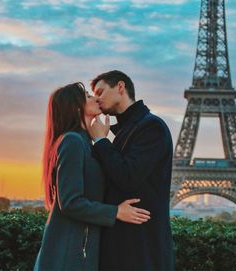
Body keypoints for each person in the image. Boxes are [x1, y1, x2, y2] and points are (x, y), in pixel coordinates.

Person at [34, 82, 151, 271]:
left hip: (76, 253)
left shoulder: (83, 142)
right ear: (76, 106)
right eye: (88, 96)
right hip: (68, 256)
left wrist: (100, 140)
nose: (95, 98)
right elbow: (70, 202)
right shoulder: (72, 141)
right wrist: (116, 212)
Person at [88, 70, 174, 271]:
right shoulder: (130, 130)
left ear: (120, 87)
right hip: (129, 244)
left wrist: (100, 140)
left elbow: (128, 176)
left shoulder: (152, 127)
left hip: (139, 248)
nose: (97, 99)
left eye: (100, 92)